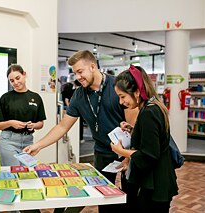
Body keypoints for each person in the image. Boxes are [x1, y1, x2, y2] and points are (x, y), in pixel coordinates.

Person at [24, 50, 130, 212]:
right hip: (103, 151)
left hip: (128, 152)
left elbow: (133, 123)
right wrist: (39, 145)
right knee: (104, 199)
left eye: (80, 72)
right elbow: (62, 126)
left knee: (128, 197)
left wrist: (129, 154)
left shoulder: (117, 86)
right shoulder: (79, 95)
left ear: (93, 66)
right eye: (75, 73)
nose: (78, 77)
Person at [110, 65, 178, 213]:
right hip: (158, 181)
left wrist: (120, 151)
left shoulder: (149, 112)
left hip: (155, 184)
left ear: (136, 92)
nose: (121, 102)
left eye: (122, 96)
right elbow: (154, 138)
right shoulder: (153, 106)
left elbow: (149, 155)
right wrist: (133, 130)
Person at [0, 64, 46, 166]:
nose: (15, 82)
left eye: (17, 78)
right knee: (12, 174)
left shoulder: (36, 97)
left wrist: (34, 125)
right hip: (8, 141)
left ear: (24, 74)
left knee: (25, 175)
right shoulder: (5, 98)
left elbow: (41, 123)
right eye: (12, 81)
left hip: (28, 142)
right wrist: (11, 123)